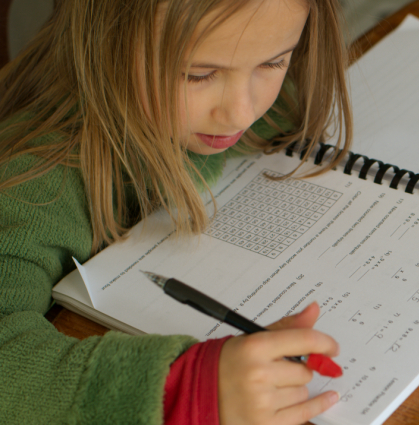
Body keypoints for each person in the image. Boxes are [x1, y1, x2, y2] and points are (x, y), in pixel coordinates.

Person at [0, 0, 353, 424]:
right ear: (104, 41)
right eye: (198, 74)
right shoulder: (35, 181)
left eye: (273, 63)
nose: (241, 111)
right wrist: (182, 389)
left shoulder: (241, 100)